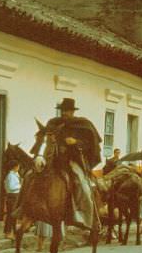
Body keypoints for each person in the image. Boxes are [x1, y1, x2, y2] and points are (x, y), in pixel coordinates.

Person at [43, 98, 102, 229]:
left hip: (72, 160)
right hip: (54, 159)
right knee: (31, 176)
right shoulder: (54, 123)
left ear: (72, 111)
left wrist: (76, 142)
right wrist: (49, 137)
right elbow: (45, 135)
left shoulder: (83, 124)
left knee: (83, 186)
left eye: (67, 110)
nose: (64, 113)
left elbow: (91, 144)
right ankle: (25, 209)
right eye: (63, 110)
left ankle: (85, 215)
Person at [3, 161, 21, 239]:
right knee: (10, 215)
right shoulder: (11, 176)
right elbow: (11, 187)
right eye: (18, 166)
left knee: (14, 215)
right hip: (12, 196)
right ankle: (7, 232)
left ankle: (14, 232)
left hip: (15, 196)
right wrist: (20, 186)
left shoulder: (15, 174)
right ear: (15, 167)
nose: (19, 168)